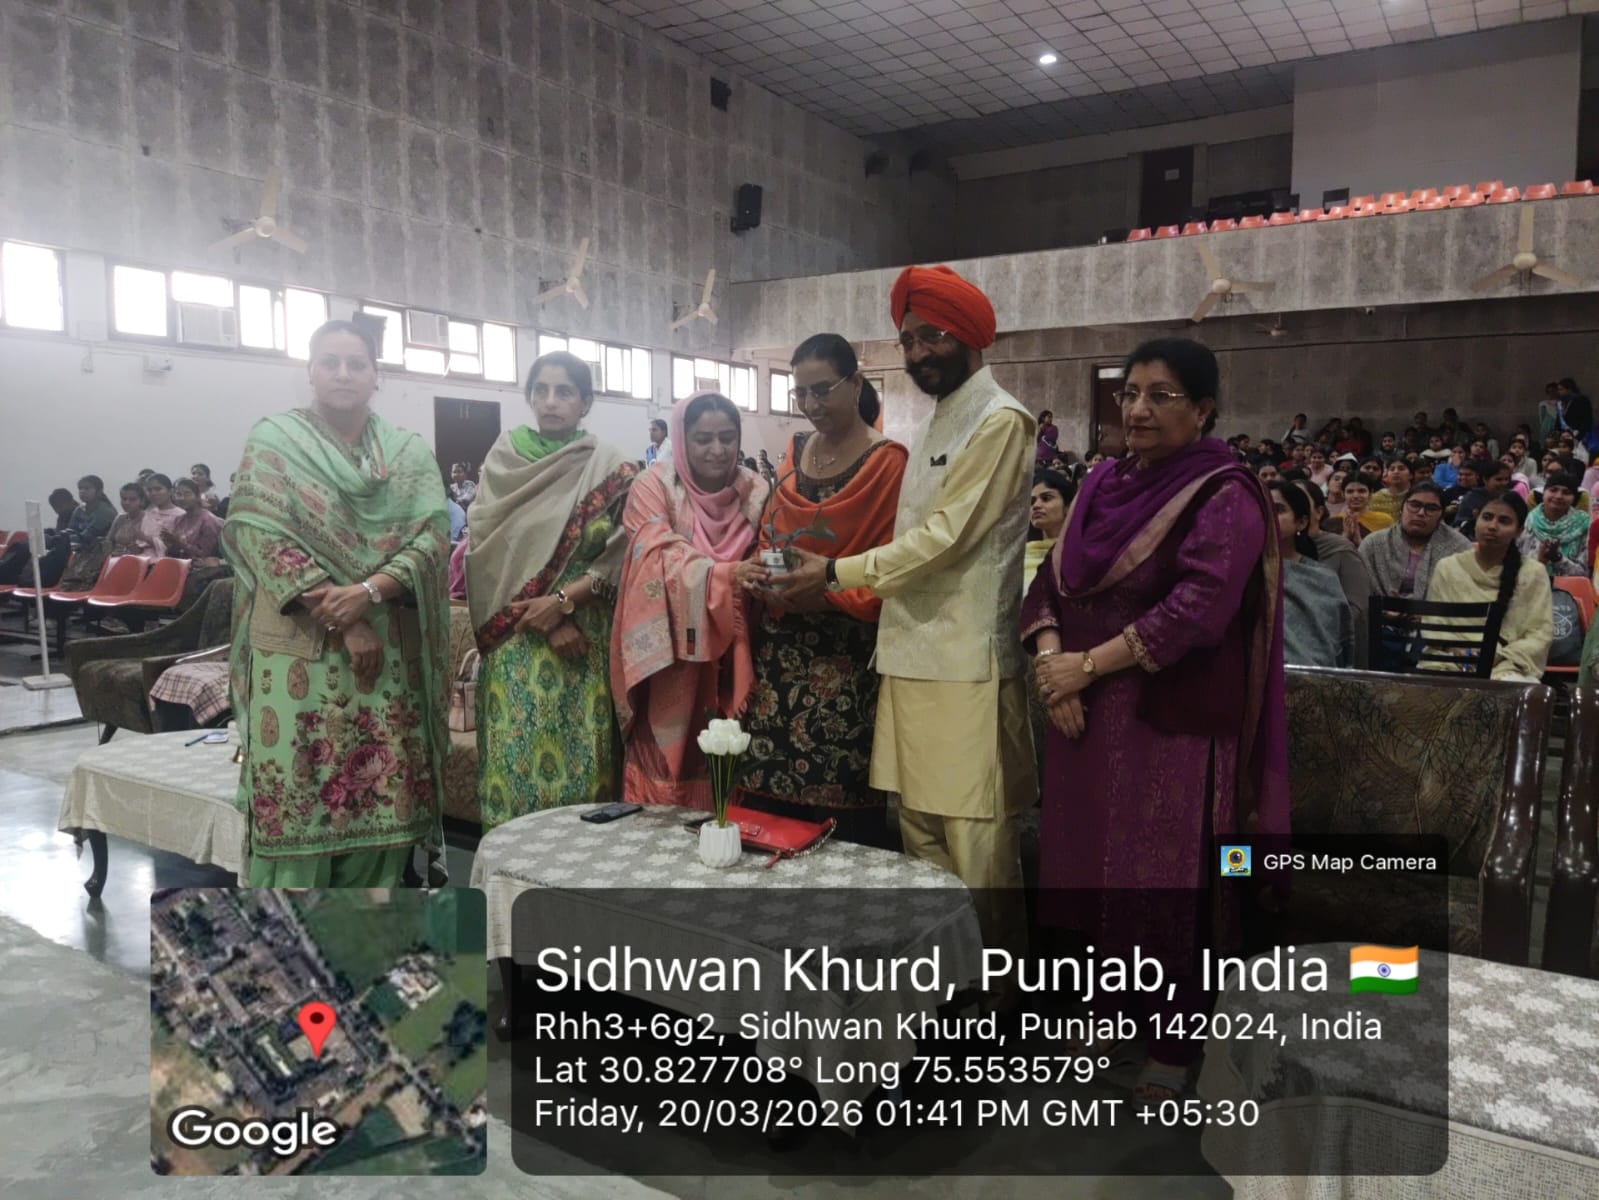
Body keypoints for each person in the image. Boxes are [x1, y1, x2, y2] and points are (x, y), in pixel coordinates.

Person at [1019, 337, 1288, 1099]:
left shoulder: (1223, 493)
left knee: (1163, 881)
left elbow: (1197, 609)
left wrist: (1085, 666)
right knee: (1090, 872)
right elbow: (1049, 583)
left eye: (1160, 395)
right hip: (1081, 716)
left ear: (1202, 410)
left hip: (1168, 721)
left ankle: (1173, 1037)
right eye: (1129, 393)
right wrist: (1054, 670)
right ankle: (1108, 1011)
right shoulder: (1102, 481)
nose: (1137, 409)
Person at [773, 265, 1036, 977]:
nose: (920, 352)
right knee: (919, 838)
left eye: (933, 336)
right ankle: (944, 986)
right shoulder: (937, 420)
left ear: (970, 336)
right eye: (909, 340)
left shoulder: (1000, 420)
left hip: (965, 668)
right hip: (909, 656)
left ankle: (996, 997)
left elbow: (945, 538)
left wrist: (836, 572)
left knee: (977, 846)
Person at [223, 319, 451, 888]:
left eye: (357, 363)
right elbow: (259, 535)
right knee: (297, 801)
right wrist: (347, 622)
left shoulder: (407, 454)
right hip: (298, 651)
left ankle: (368, 934)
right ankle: (293, 941)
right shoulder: (274, 442)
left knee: (382, 807)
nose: (343, 374)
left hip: (386, 660)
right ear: (310, 371)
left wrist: (370, 592)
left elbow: (431, 538)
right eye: (330, 362)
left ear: (377, 374)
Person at [739, 335, 907, 846]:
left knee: (842, 813)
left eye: (823, 390)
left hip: (847, 654)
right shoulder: (794, 452)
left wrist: (828, 589)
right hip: (781, 648)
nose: (811, 404)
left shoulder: (888, 463)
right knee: (766, 801)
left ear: (855, 384)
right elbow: (770, 534)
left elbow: (894, 564)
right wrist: (766, 576)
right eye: (801, 393)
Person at [466, 352, 638, 830]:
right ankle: (508, 873)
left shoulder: (611, 466)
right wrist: (546, 618)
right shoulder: (504, 460)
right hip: (515, 642)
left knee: (585, 777)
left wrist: (564, 603)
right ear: (528, 397)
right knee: (515, 769)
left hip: (584, 642)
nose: (551, 401)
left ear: (586, 402)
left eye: (564, 392)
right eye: (540, 390)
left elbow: (627, 551)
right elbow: (486, 552)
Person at [612, 392, 770, 807]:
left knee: (729, 762)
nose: (717, 450)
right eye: (703, 439)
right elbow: (654, 554)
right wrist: (726, 575)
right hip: (670, 657)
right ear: (682, 440)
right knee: (666, 769)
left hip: (736, 651)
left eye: (727, 438)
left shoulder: (755, 492)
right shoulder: (655, 486)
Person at [1427, 492, 1553, 682]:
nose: (1493, 526)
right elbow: (1433, 622)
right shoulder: (1448, 567)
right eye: (1487, 517)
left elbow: (1540, 633)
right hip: (1448, 658)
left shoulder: (1533, 572)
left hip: (1507, 664)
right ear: (1476, 519)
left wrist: (1497, 656)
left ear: (1519, 531)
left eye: (1504, 521)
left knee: (1516, 687)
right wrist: (1456, 650)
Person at [1271, 481, 1351, 668]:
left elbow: (1333, 643)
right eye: (1261, 508)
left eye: (1278, 509)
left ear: (1301, 522)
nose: (1267, 515)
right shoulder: (1241, 572)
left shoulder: (1321, 578)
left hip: (1310, 677)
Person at [1292, 478, 1369, 667]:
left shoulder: (1340, 550)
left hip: (1330, 645)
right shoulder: (1276, 551)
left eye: (1300, 501)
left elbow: (1357, 607)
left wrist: (1315, 630)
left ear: (1319, 512)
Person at [1358, 482, 1471, 601]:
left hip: (1440, 612)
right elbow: (1358, 590)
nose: (1421, 513)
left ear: (1441, 515)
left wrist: (1419, 610)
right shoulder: (1374, 543)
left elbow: (1465, 594)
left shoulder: (1459, 548)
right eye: (1415, 505)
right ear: (1402, 508)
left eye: (1431, 508)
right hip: (1377, 610)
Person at [1521, 471, 1589, 577]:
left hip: (1568, 586)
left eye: (1566, 492)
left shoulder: (1583, 524)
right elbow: (1519, 562)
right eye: (1553, 490)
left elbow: (1584, 573)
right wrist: (1540, 562)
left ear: (1573, 499)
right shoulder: (1531, 520)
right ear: (1544, 493)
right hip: (1531, 582)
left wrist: (1557, 558)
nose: (1558, 496)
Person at [1026, 468, 1073, 595]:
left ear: (1068, 507)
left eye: (1046, 498)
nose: (1036, 506)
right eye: (1032, 501)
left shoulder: (1077, 554)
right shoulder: (1021, 557)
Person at [163, 478, 224, 558]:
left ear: (197, 496)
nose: (182, 498)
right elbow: (172, 553)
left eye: (187, 494)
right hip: (180, 563)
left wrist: (180, 544)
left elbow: (204, 555)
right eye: (178, 494)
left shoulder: (209, 521)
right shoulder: (179, 519)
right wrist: (169, 544)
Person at [1451, 460, 1511, 536]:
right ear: (1485, 480)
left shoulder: (1510, 497)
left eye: (1506, 479)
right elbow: (1458, 525)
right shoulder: (1472, 498)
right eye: (1498, 479)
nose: (1504, 483)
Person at [105, 481, 162, 556]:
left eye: (132, 499)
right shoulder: (120, 518)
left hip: (141, 560)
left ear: (141, 501)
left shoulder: (149, 519)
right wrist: (112, 551)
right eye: (124, 499)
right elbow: (108, 541)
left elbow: (157, 547)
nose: (127, 503)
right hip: (115, 558)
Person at [1334, 476, 1391, 548]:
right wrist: (1345, 536)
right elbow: (1330, 552)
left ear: (1370, 493)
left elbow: (1387, 550)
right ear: (1343, 494)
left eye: (1361, 491)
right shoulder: (1333, 522)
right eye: (1350, 491)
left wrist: (1359, 541)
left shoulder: (1384, 520)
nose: (1355, 496)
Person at [143, 472, 183, 538]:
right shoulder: (148, 514)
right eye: (149, 490)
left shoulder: (181, 515)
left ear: (170, 491)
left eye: (158, 489)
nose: (153, 493)